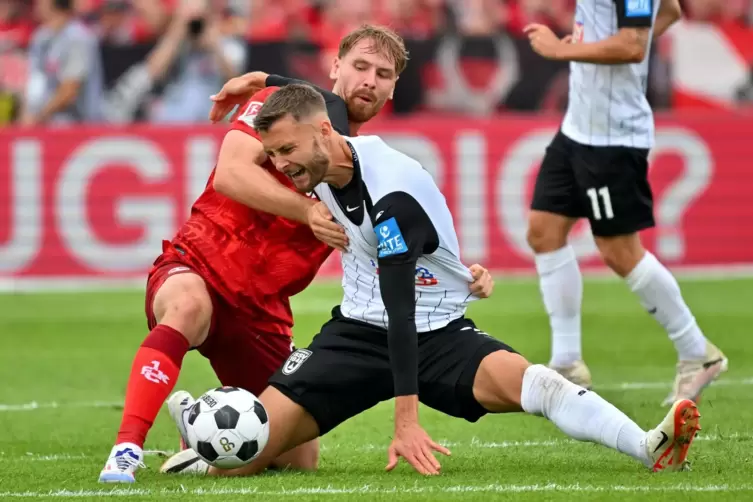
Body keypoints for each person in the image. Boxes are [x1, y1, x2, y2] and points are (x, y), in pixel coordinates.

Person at [159, 84, 702, 478]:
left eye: (286, 152)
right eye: (272, 154)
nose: (280, 167)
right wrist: (252, 83)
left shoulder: (391, 194)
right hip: (352, 335)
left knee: (539, 385)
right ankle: (197, 426)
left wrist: (406, 422)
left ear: (325, 132)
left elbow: (402, 313)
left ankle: (649, 444)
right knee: (243, 462)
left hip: (433, 331)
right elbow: (298, 95)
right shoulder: (318, 148)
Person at [98, 24, 427, 483]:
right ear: (334, 67)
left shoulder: (369, 166)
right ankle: (126, 450)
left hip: (263, 308)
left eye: (383, 74)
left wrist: (454, 268)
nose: (369, 80)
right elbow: (232, 174)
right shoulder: (279, 107)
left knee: (294, 457)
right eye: (359, 66)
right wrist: (305, 211)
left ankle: (197, 426)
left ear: (392, 90)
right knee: (188, 307)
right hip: (202, 261)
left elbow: (394, 246)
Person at [522, 0, 727, 401]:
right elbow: (668, 11)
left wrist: (564, 50)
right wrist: (593, 45)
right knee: (543, 231)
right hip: (577, 128)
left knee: (619, 251)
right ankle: (567, 364)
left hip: (612, 137)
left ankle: (697, 352)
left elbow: (633, 44)